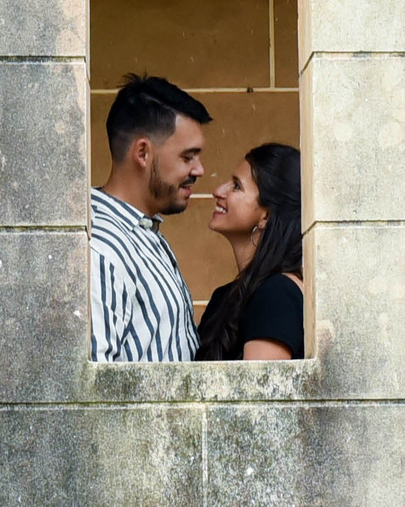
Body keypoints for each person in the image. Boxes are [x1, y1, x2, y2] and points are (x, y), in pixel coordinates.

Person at [90, 74, 209, 362]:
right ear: (143, 152)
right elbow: (94, 391)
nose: (200, 170)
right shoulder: (102, 247)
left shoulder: (142, 231)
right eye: (187, 157)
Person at [195, 141, 303, 361]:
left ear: (266, 216)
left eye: (236, 186)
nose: (218, 191)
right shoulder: (224, 297)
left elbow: (264, 393)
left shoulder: (278, 294)